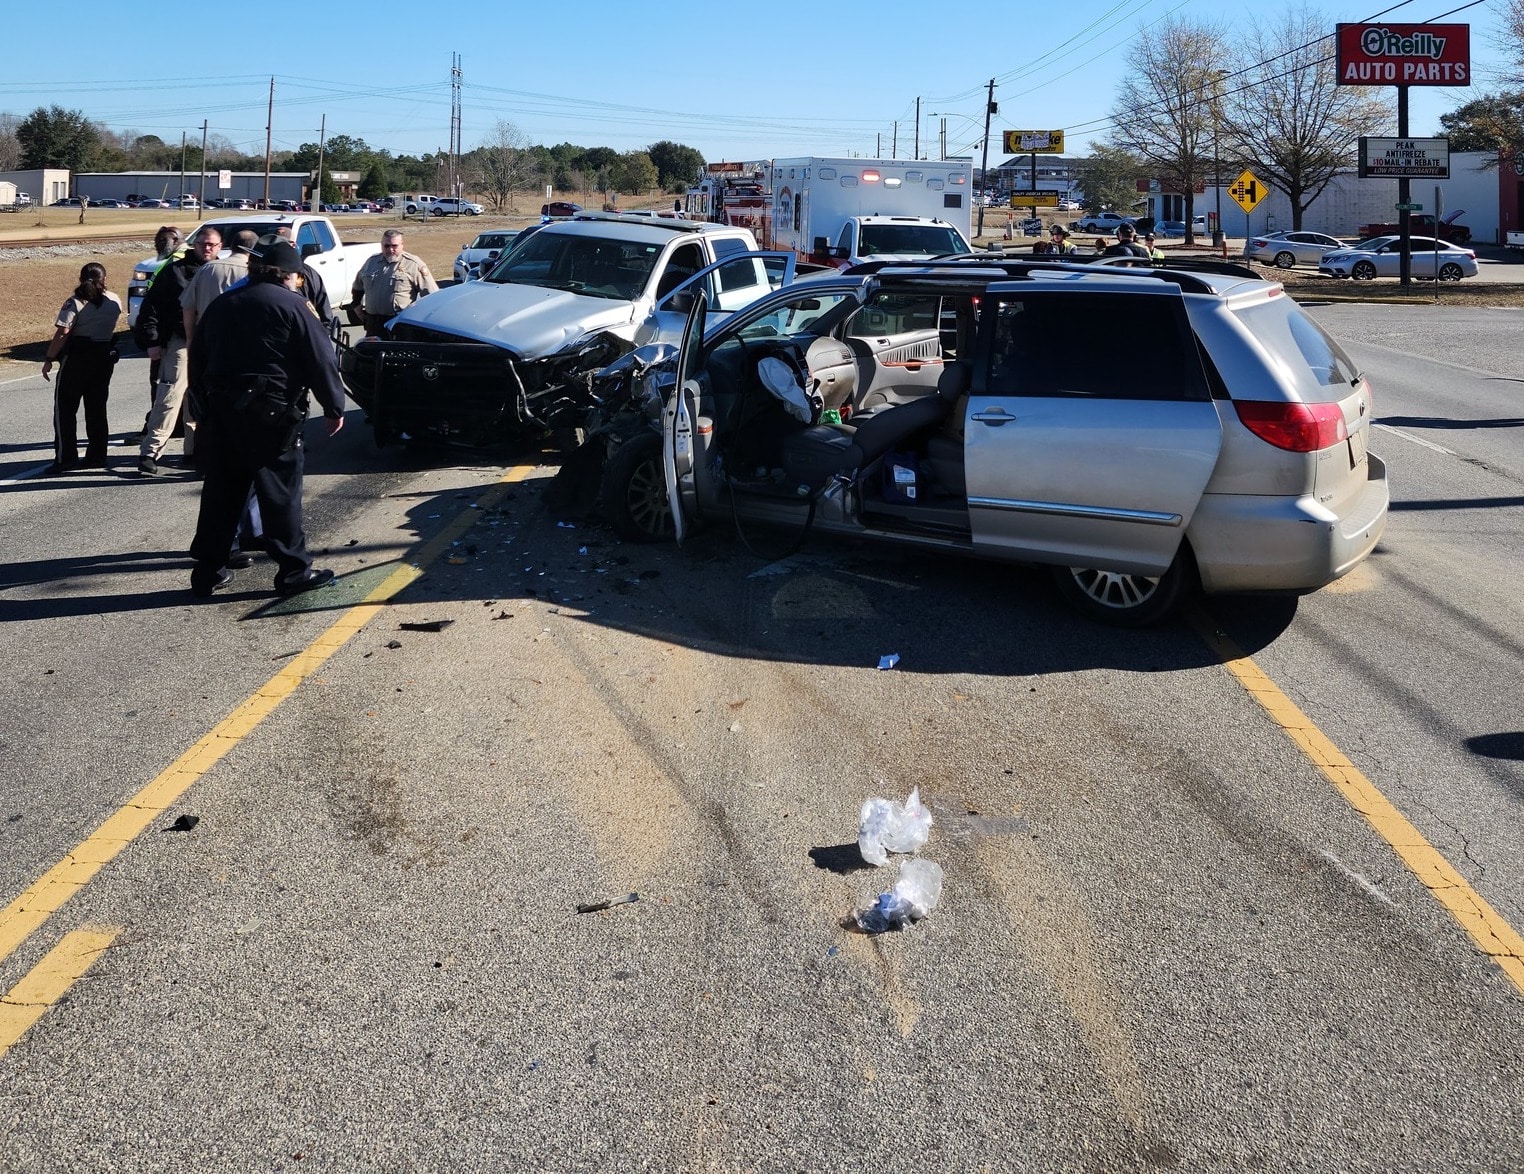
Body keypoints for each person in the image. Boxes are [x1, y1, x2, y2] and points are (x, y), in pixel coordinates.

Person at [186, 238, 346, 599]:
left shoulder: (223, 304)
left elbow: (198, 356)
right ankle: (293, 571)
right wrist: (334, 406)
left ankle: (207, 571)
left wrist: (202, 405)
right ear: (289, 276)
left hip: (223, 412)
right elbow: (320, 359)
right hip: (272, 414)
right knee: (281, 493)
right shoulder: (293, 305)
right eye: (299, 278)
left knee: (222, 493)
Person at [138, 226, 216, 476]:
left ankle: (192, 452)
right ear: (193, 244)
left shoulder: (219, 273)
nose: (207, 248)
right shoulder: (174, 272)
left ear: (220, 247)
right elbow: (150, 309)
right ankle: (150, 453)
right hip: (180, 343)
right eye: (203, 243)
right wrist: (152, 341)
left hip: (209, 345)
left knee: (200, 400)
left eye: (212, 245)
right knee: (169, 397)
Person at [41, 263, 122, 474]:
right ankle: (97, 456)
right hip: (103, 355)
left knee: (65, 408)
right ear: (105, 278)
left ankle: (65, 457)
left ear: (80, 278)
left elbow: (63, 332)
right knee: (96, 408)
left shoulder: (76, 301)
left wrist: (50, 357)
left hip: (78, 356)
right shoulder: (114, 301)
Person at [349, 230, 438, 336]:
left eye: (394, 246)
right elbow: (358, 287)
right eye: (386, 246)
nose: (390, 249)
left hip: (399, 324)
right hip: (373, 324)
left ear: (402, 245)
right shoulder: (371, 262)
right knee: (368, 352)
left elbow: (432, 296)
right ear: (381, 245)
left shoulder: (413, 264)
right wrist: (356, 306)